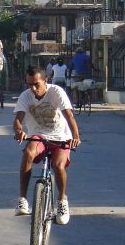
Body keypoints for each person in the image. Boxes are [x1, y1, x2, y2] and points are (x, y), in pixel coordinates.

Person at [13, 65, 81, 224]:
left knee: (58, 166)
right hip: (39, 136)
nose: (33, 88)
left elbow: (69, 115)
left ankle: (62, 201)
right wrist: (18, 131)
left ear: (46, 80)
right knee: (28, 153)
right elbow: (18, 119)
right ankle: (22, 199)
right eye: (29, 84)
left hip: (61, 137)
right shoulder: (25, 96)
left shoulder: (56, 92)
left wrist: (76, 136)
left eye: (36, 84)